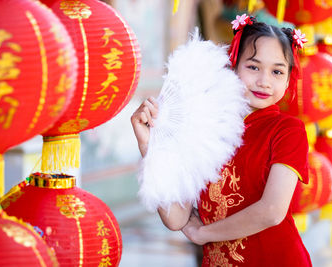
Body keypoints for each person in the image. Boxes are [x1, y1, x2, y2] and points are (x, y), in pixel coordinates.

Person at [131, 14, 312, 267]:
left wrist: (203, 234)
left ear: (288, 78)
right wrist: (148, 146)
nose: (264, 81)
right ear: (234, 65)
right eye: (253, 67)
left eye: (277, 71)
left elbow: (272, 210)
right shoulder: (204, 128)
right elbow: (177, 218)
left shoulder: (287, 130)